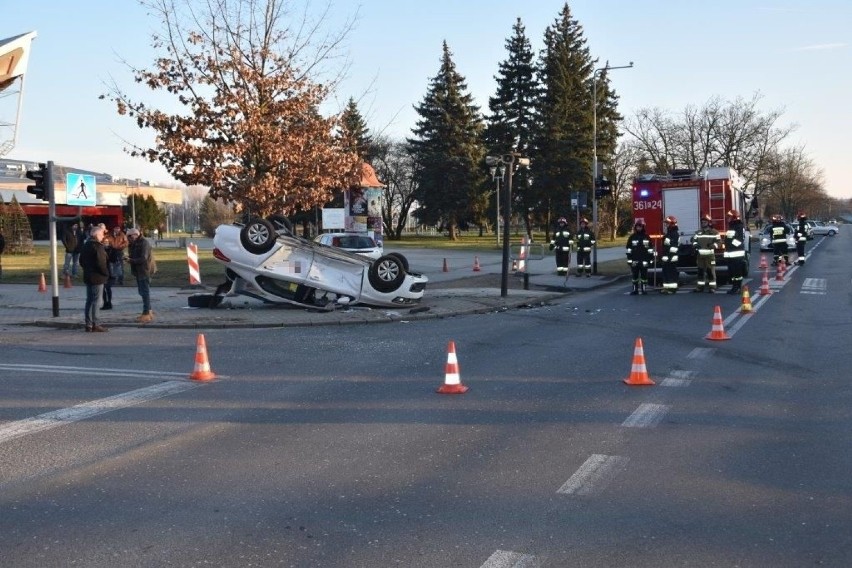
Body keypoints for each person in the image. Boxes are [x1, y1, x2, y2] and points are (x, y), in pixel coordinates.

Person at [78, 224, 109, 332]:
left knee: (89, 300)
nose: (102, 237)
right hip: (97, 277)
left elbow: (81, 261)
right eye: (101, 234)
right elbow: (101, 263)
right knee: (97, 301)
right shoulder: (98, 246)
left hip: (88, 276)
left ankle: (88, 323)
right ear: (96, 235)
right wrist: (106, 273)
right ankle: (96, 323)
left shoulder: (86, 245)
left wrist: (87, 269)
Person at [125, 228, 155, 323]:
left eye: (129, 236)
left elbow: (143, 258)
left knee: (144, 292)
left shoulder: (144, 243)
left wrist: (131, 260)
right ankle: (148, 311)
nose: (128, 238)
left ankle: (146, 313)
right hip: (139, 270)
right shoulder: (135, 243)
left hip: (144, 270)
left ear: (135, 235)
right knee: (142, 292)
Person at [691, 214, 721, 293]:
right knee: (700, 272)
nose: (703, 223)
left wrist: (713, 246)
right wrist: (695, 245)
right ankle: (700, 287)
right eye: (702, 222)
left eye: (705, 222)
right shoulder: (698, 232)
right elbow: (694, 241)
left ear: (709, 223)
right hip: (700, 256)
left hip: (710, 256)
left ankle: (712, 287)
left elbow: (719, 242)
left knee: (710, 272)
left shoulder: (714, 232)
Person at [626, 218, 654, 295]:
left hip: (644, 261)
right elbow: (628, 249)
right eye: (638, 226)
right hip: (634, 261)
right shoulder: (632, 237)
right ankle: (635, 290)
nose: (639, 228)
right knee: (634, 276)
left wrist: (651, 259)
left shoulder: (647, 237)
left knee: (644, 276)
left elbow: (650, 249)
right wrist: (629, 260)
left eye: (640, 226)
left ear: (643, 227)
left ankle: (644, 289)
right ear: (635, 227)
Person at [723, 210, 748, 294]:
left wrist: (730, 242)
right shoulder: (732, 227)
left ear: (733, 218)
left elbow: (740, 241)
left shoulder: (739, 226)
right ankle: (734, 287)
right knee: (732, 272)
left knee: (737, 273)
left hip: (737, 254)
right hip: (730, 254)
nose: (727, 219)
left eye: (729, 217)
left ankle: (737, 287)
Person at [660, 215, 680, 294]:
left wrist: (670, 257)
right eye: (666, 224)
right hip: (666, 258)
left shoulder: (674, 234)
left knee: (671, 274)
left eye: (667, 224)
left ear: (672, 224)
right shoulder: (669, 233)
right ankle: (666, 288)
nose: (666, 225)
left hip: (672, 258)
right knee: (666, 273)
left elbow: (674, 247)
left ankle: (672, 289)